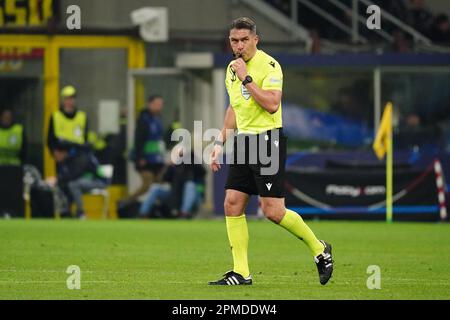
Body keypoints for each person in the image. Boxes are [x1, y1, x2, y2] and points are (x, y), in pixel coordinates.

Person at [208, 17, 333, 286]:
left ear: (255, 40)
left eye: (244, 40)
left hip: (268, 141)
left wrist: (247, 79)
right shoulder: (231, 68)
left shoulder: (270, 65)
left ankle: (319, 249)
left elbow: (272, 104)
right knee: (232, 203)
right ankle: (241, 272)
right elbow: (234, 108)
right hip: (244, 142)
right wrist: (220, 143)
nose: (238, 46)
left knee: (273, 210)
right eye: (234, 40)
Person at [122, 95, 166, 205]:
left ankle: (156, 209)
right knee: (147, 184)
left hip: (157, 160)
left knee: (159, 184)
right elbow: (139, 139)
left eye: (161, 104)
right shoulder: (144, 119)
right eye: (157, 104)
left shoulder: (158, 119)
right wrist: (140, 157)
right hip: (145, 160)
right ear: (150, 104)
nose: (160, 107)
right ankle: (126, 202)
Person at [139, 149, 206, 219]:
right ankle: (143, 214)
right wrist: (168, 166)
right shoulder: (174, 167)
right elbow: (162, 179)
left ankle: (184, 214)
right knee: (155, 188)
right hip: (175, 196)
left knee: (190, 185)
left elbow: (203, 172)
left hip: (193, 198)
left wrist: (191, 158)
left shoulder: (193, 165)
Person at [48, 146, 107, 219]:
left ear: (62, 152)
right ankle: (66, 213)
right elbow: (67, 175)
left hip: (99, 181)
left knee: (73, 185)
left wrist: (57, 179)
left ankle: (81, 213)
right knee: (67, 185)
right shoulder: (67, 160)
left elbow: (74, 174)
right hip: (86, 181)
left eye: (56, 156)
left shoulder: (80, 157)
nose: (56, 159)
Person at [47, 85, 89, 158]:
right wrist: (55, 152)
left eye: (71, 98)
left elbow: (85, 139)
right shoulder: (56, 116)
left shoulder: (82, 116)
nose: (69, 101)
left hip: (78, 155)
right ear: (63, 100)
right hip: (61, 155)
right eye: (67, 99)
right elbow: (50, 138)